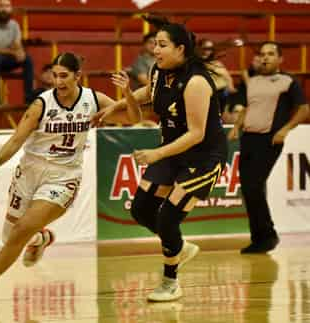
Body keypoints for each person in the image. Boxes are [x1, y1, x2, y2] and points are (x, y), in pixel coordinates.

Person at [0, 52, 125, 303]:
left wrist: (126, 96)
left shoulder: (93, 100)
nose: (58, 81)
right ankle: (41, 238)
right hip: (29, 172)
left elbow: (133, 118)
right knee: (10, 237)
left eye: (64, 76)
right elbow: (17, 139)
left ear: (77, 76)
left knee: (21, 230)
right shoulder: (41, 104)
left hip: (63, 177)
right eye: (55, 75)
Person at [93, 17, 228, 302]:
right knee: (141, 210)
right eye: (155, 44)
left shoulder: (197, 83)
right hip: (173, 151)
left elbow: (195, 134)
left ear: (181, 49)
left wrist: (155, 153)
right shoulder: (159, 71)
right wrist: (115, 106)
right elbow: (148, 93)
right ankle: (179, 244)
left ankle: (170, 281)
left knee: (168, 216)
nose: (156, 50)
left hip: (202, 158)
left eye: (162, 45)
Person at [228, 41, 309, 254]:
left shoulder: (288, 81)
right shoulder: (252, 81)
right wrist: (237, 126)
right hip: (248, 138)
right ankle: (259, 238)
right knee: (248, 189)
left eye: (271, 54)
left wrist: (285, 130)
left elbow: (304, 109)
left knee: (254, 186)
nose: (265, 58)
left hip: (269, 140)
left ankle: (268, 236)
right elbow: (247, 107)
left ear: (280, 59)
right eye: (262, 54)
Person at [0, 0, 34, 105]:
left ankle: (29, 99)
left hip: (7, 59)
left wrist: (20, 52)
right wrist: (12, 52)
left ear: (11, 9)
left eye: (7, 6)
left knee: (27, 59)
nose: (4, 9)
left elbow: (17, 44)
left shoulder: (14, 25)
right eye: (1, 6)